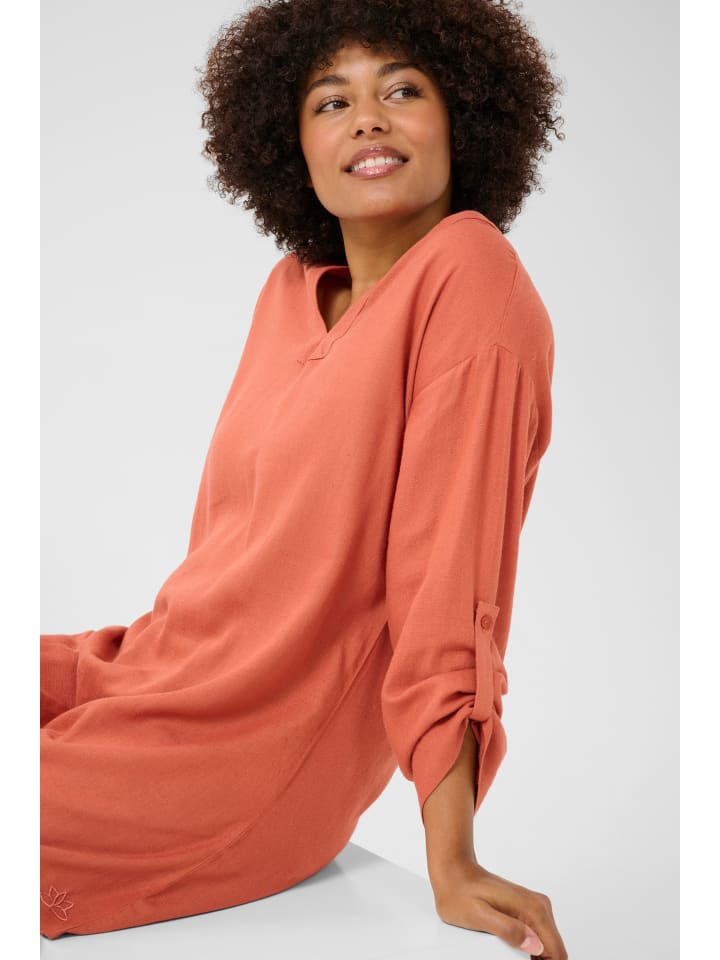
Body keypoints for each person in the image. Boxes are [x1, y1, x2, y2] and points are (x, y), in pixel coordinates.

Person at [40, 0, 567, 955]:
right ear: (293, 147)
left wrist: (452, 860)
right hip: (146, 670)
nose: (367, 118)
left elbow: (450, 587)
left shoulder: (469, 274)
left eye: (402, 90)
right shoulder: (292, 289)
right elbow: (230, 556)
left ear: (465, 119)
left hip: (238, 762)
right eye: (332, 101)